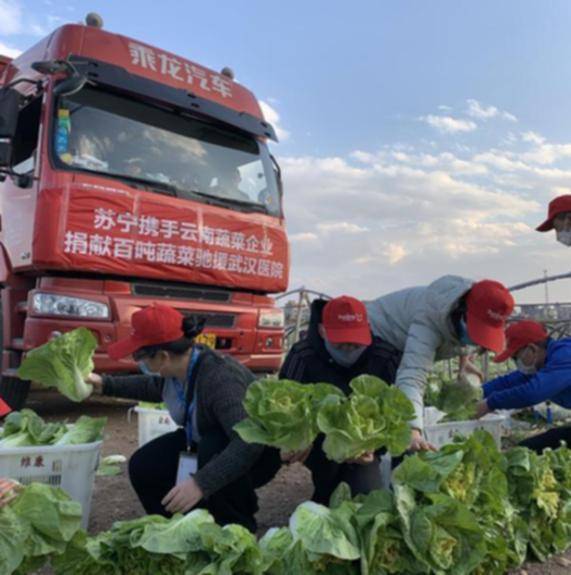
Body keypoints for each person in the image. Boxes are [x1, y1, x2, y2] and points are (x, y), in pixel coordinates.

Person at [88, 304, 280, 532]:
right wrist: (103, 384)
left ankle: (235, 528)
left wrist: (201, 483)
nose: (137, 361)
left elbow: (249, 442)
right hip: (206, 444)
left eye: (139, 355)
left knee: (212, 446)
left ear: (162, 356)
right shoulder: (177, 369)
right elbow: (152, 387)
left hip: (254, 455)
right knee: (144, 465)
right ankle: (181, 529)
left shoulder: (220, 379)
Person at [364, 275, 515, 451]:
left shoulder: (462, 309)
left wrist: (463, 361)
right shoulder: (428, 319)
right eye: (476, 330)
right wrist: (412, 430)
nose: (475, 340)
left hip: (402, 344)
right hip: (375, 339)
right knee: (391, 419)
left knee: (405, 415)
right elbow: (412, 375)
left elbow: (459, 338)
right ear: (461, 312)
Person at [279, 295, 403, 504]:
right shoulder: (303, 355)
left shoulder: (385, 357)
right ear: (322, 331)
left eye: (355, 344)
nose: (348, 349)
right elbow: (285, 402)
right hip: (319, 445)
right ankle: (324, 491)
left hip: (366, 450)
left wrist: (374, 444)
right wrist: (297, 437)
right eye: (340, 343)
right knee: (327, 485)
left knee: (364, 497)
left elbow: (400, 413)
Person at [475, 319, 571, 452]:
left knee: (536, 450)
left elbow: (533, 392)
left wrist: (489, 404)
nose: (516, 362)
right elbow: (508, 382)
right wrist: (476, 394)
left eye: (516, 357)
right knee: (525, 450)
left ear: (532, 349)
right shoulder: (542, 363)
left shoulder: (565, 355)